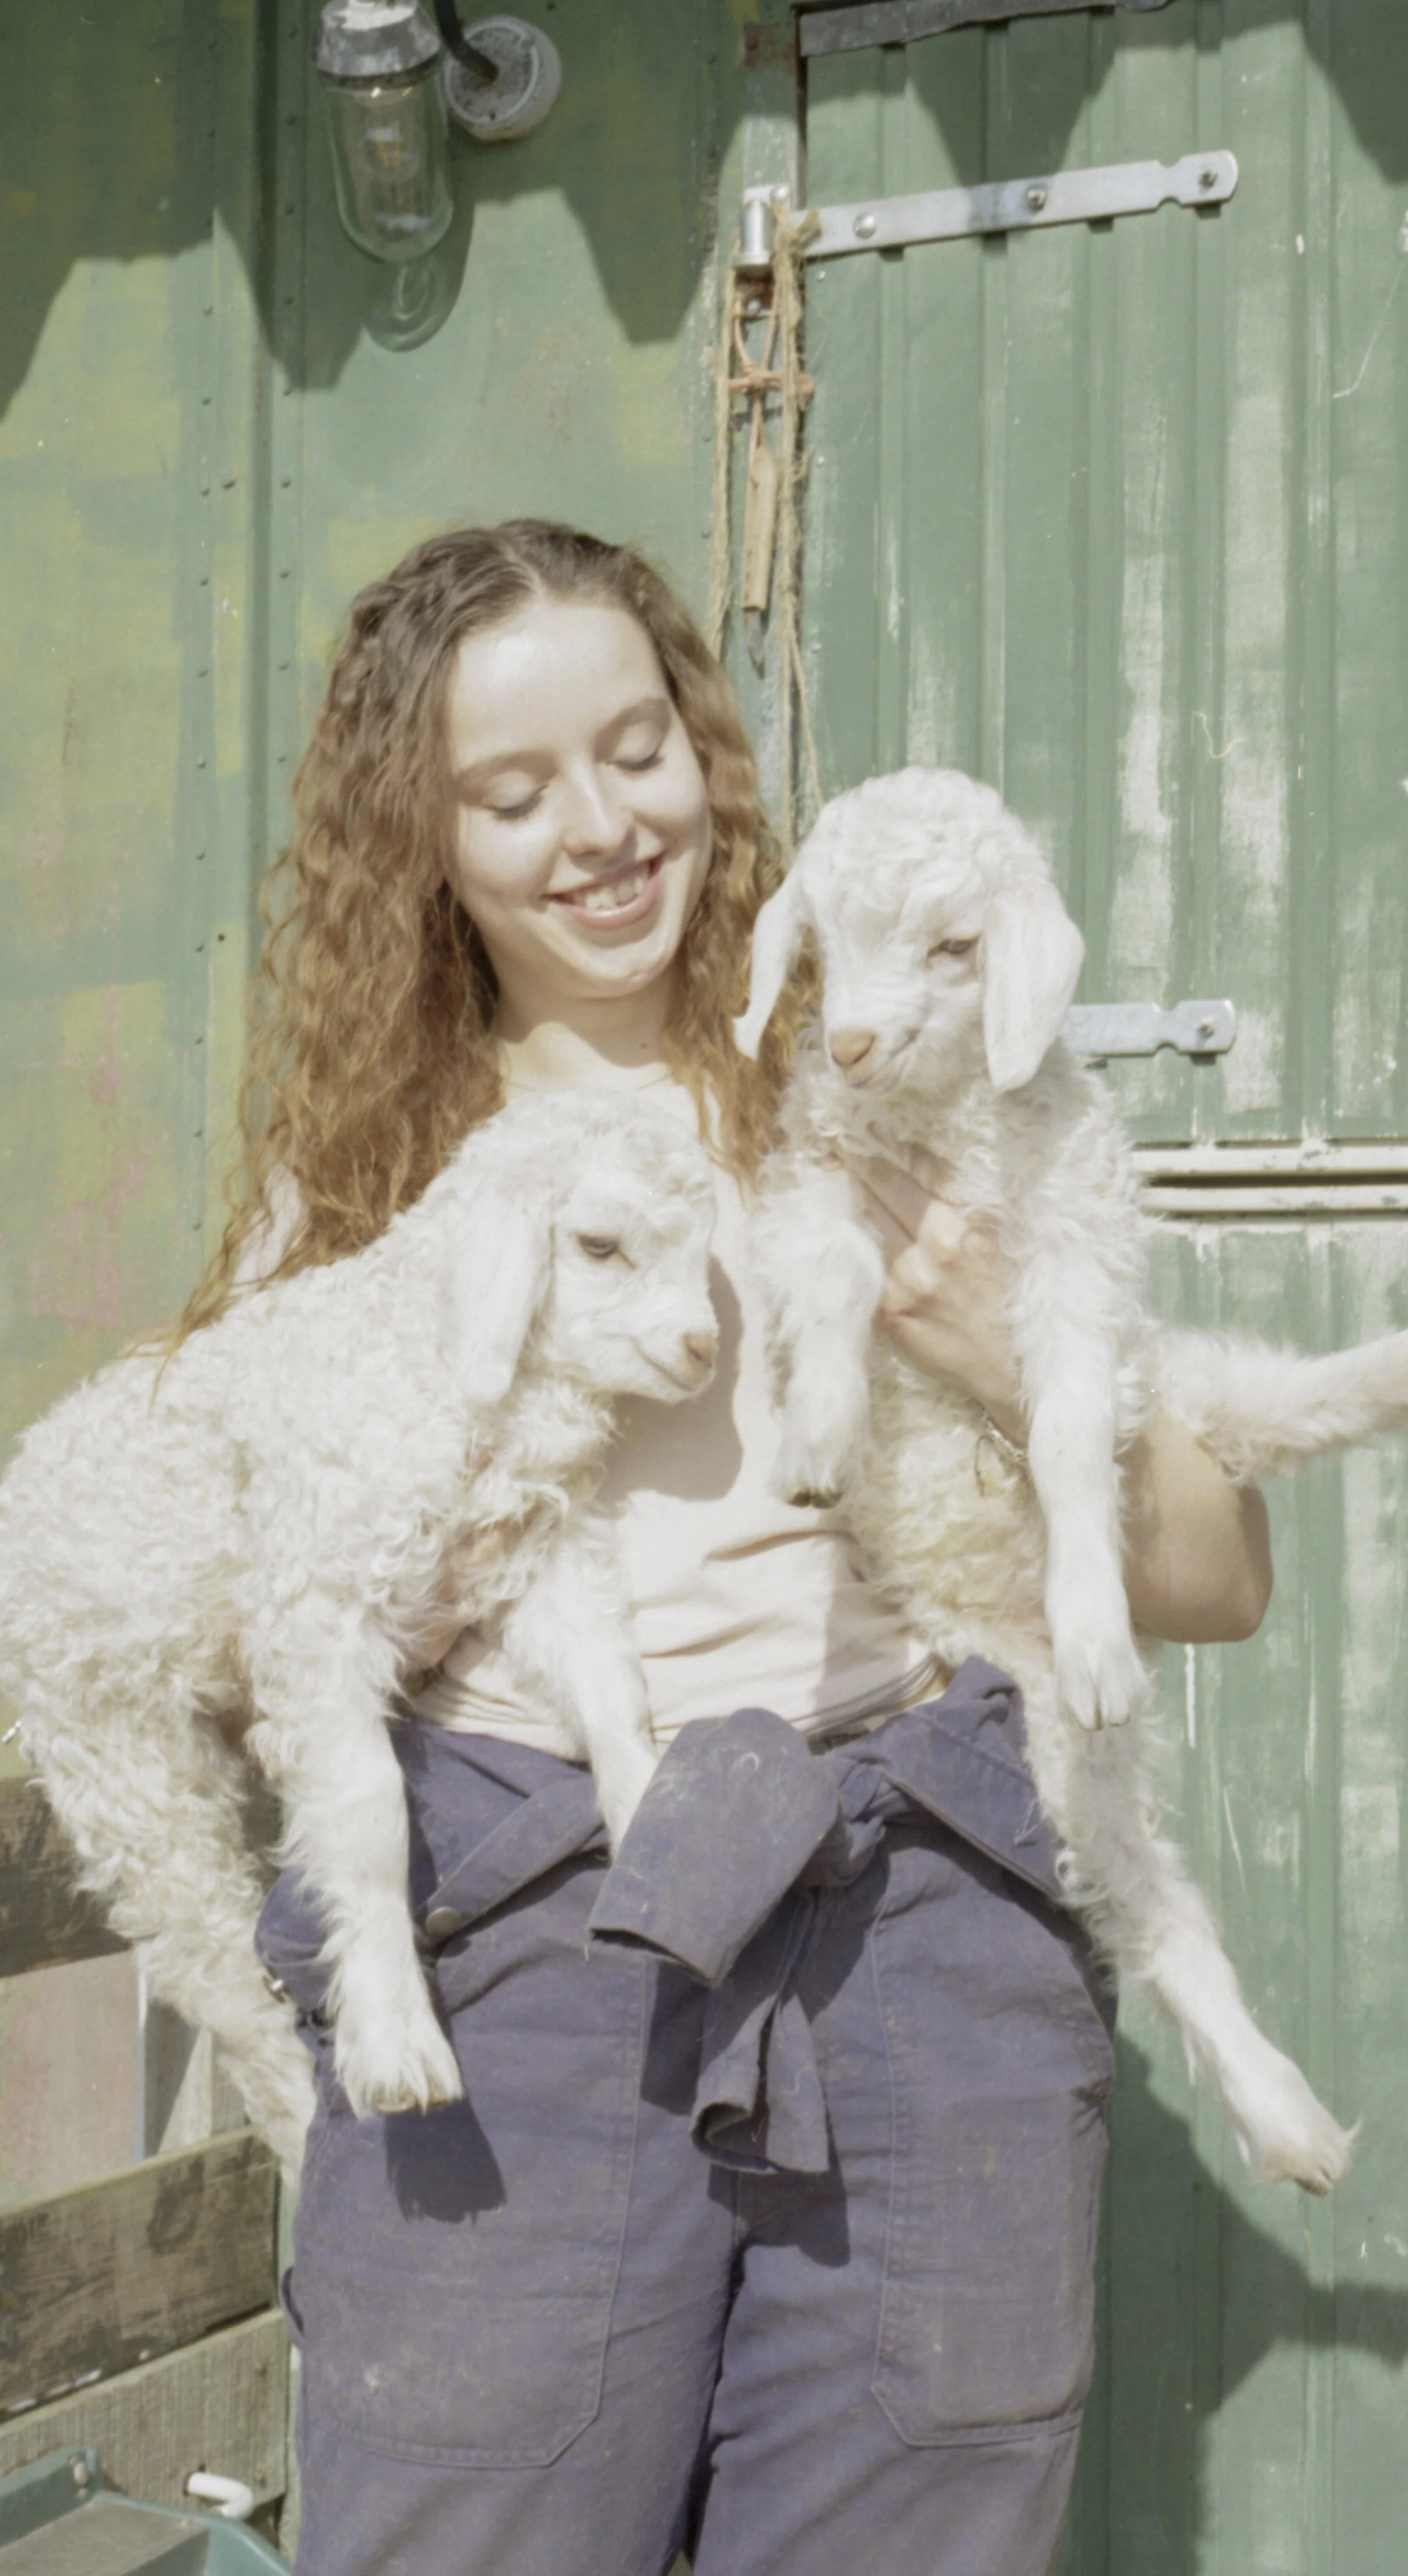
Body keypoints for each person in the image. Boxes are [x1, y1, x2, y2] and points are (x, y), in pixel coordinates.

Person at [201, 521, 1271, 2576]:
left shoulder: (889, 1079)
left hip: (914, 1918)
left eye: (638, 750)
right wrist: (423, 1556)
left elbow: (1217, 1576)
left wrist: (967, 1332)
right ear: (419, 840)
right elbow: (247, 1637)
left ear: (707, 746)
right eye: (512, 796)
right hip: (521, 1929)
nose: (601, 830)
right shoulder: (361, 1188)